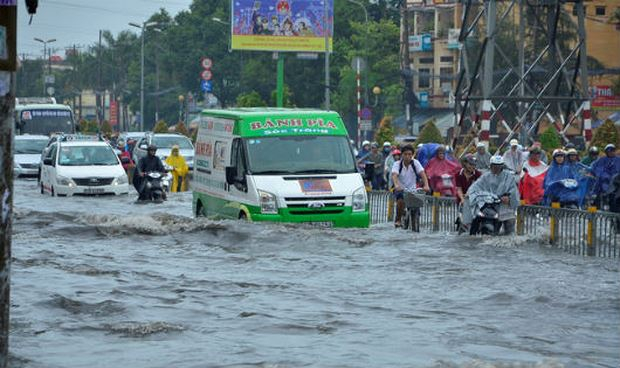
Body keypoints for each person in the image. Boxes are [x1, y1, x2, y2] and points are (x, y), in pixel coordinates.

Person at [462, 155, 520, 235]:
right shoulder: (486, 176)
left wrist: (509, 198)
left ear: (502, 166)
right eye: (494, 166)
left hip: (504, 205)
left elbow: (514, 190)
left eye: (498, 166)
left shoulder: (508, 176)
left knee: (510, 221)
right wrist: (469, 193)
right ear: (491, 166)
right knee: (477, 216)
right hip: (488, 204)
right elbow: (476, 186)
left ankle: (510, 237)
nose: (496, 168)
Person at [391, 145, 430, 227]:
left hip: (413, 189)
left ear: (412, 155)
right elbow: (394, 175)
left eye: (410, 154)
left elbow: (423, 174)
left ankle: (415, 221)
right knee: (400, 200)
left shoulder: (415, 163)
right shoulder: (397, 164)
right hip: (401, 189)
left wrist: (426, 185)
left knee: (416, 207)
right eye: (405, 154)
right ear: (402, 155)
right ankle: (398, 219)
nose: (408, 156)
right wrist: (396, 185)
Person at [591, 144, 620, 209]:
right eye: (609, 151)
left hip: (617, 183)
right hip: (605, 182)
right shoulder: (602, 160)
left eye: (612, 150)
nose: (611, 152)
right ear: (606, 152)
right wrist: (605, 176)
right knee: (603, 188)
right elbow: (597, 169)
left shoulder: (618, 159)